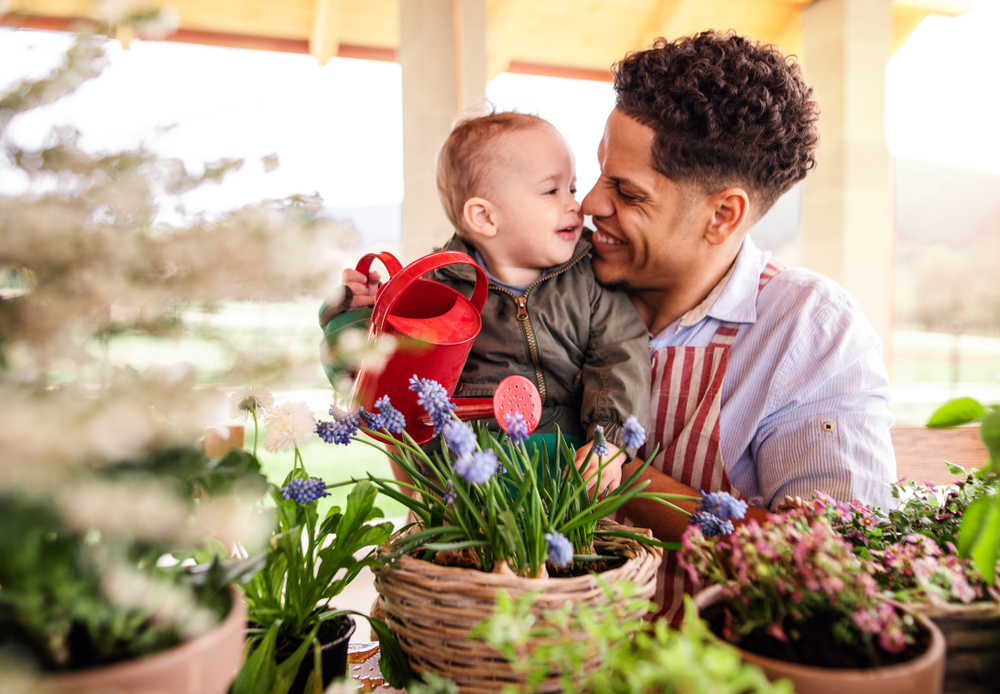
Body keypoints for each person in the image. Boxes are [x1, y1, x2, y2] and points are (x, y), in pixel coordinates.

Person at [583, 31, 897, 619]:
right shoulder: (559, 280)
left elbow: (825, 566)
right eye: (599, 173)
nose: (589, 205)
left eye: (626, 191)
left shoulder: (809, 331)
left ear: (723, 215)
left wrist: (620, 474)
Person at [321, 111, 651, 489]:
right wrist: (352, 319)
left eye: (572, 189)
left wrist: (608, 440)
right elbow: (378, 373)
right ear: (484, 217)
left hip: (566, 469)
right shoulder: (437, 290)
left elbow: (621, 354)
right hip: (465, 476)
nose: (576, 205)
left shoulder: (589, 276)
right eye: (552, 191)